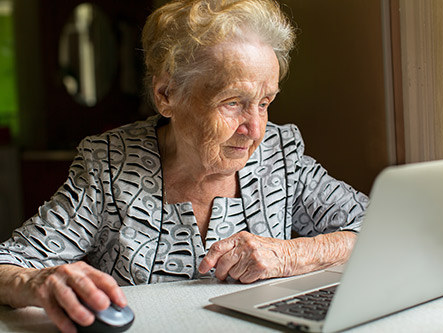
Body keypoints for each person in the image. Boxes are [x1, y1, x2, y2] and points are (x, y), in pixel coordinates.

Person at [0, 0, 369, 332]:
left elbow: (377, 224)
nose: (255, 129)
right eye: (232, 102)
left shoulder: (279, 154)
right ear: (167, 95)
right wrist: (36, 282)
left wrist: (291, 255)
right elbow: (8, 263)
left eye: (265, 102)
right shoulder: (110, 165)